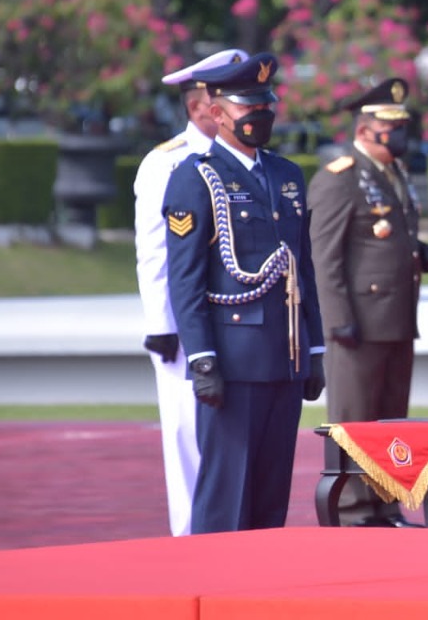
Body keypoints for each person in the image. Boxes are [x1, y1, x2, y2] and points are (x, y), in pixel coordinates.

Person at [163, 52, 326, 533]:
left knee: (271, 493)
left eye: (265, 102)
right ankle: (213, 589)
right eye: (246, 105)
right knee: (227, 494)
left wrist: (314, 350)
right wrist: (202, 359)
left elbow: (304, 268)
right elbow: (185, 280)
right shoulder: (195, 178)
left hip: (285, 355)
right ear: (216, 113)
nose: (260, 113)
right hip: (232, 362)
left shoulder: (287, 175)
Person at [306, 77, 428, 527]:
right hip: (358, 323)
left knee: (390, 421)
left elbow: (387, 241)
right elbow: (324, 258)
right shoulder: (341, 178)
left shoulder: (393, 173)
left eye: (402, 125)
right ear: (367, 130)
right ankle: (353, 509)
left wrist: (422, 253)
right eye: (392, 127)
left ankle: (385, 504)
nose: (400, 134)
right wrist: (338, 320)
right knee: (356, 421)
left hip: (396, 317)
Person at [132, 48, 249, 536]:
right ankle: (189, 538)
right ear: (199, 106)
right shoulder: (167, 164)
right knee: (188, 435)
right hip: (187, 324)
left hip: (240, 323)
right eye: (224, 98)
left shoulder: (246, 158)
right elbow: (156, 252)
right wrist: (162, 325)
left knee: (235, 439)